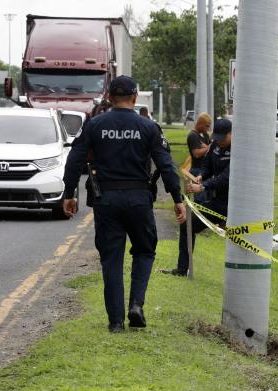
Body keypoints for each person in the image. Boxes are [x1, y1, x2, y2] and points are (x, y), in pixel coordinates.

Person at [61, 75, 186, 333]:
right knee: (144, 251)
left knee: (111, 258)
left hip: (106, 200)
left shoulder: (94, 125)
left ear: (109, 97)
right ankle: (136, 305)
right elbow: (166, 165)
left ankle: (116, 321)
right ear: (135, 97)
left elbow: (75, 159)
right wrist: (177, 198)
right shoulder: (149, 127)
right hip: (139, 199)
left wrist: (69, 193)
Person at [167, 118, 231, 276]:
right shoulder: (215, 145)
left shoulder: (238, 150)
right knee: (187, 225)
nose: (220, 141)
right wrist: (201, 176)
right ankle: (182, 269)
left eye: (223, 138)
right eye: (217, 138)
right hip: (217, 202)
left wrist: (202, 186)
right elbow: (207, 166)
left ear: (231, 134)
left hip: (234, 205)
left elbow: (226, 177)